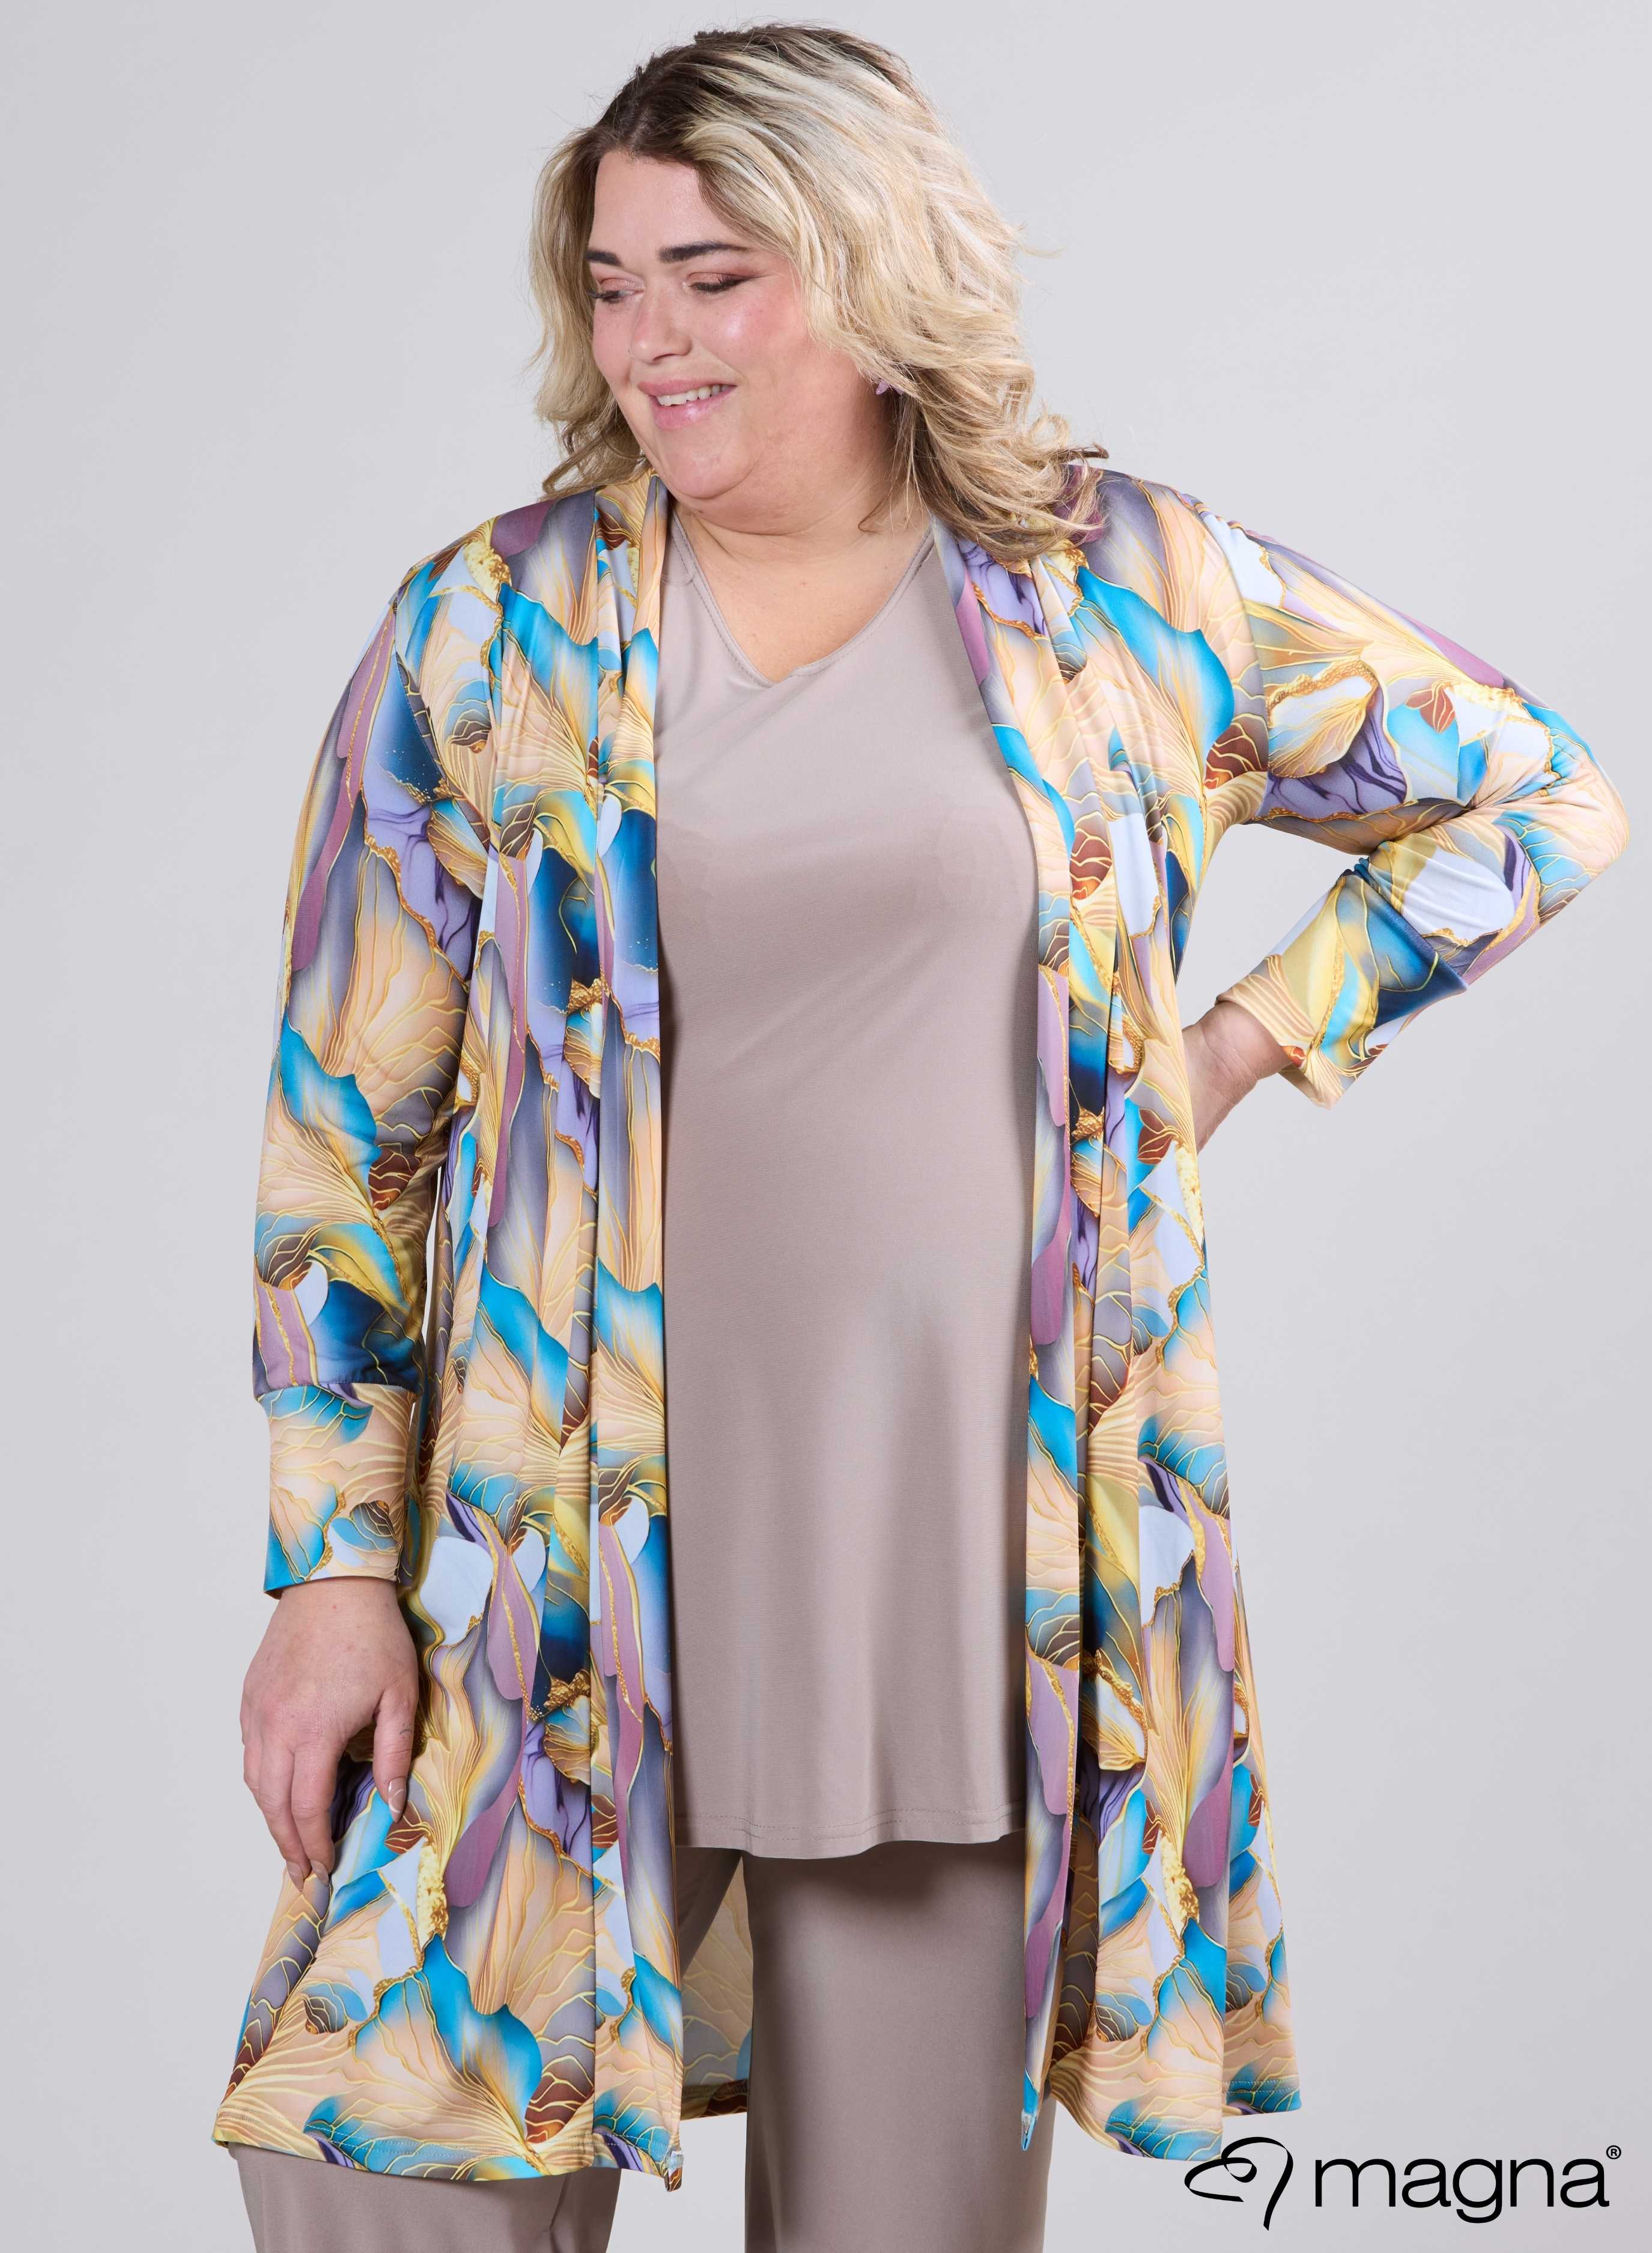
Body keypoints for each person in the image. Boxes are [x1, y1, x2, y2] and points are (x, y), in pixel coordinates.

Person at [213, 22, 1630, 2253]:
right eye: (613, 284)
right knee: (359, 2162)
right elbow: (348, 1140)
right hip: (562, 1569)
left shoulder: (1124, 588)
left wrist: (1237, 1047)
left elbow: (1534, 796)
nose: (652, 342)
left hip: (975, 1573)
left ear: (874, 280)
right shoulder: (492, 627)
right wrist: (330, 1573)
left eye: (716, 277)